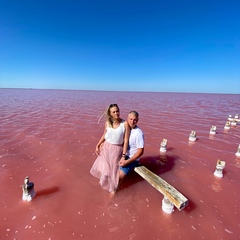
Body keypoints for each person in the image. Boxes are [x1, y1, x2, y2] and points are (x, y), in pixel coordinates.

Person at [90, 104, 130, 194]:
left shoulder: (125, 124)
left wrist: (124, 155)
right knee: (105, 169)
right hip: (106, 148)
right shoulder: (108, 123)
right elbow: (104, 135)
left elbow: (126, 140)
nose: (116, 113)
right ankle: (104, 187)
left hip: (117, 150)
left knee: (114, 170)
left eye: (117, 111)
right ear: (110, 113)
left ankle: (114, 189)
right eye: (114, 112)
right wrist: (98, 144)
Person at [118, 111, 144, 189]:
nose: (132, 122)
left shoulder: (138, 133)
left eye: (135, 120)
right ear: (127, 119)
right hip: (124, 154)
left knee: (117, 179)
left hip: (131, 158)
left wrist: (127, 162)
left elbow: (141, 151)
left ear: (137, 120)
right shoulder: (126, 127)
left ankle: (114, 194)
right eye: (131, 119)